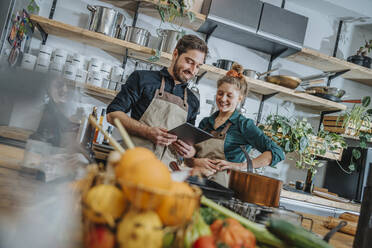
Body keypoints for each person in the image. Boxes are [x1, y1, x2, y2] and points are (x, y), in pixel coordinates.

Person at [106, 35, 208, 167]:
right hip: (133, 165)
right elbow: (112, 114)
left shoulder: (193, 101)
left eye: (198, 66)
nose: (193, 71)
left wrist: (189, 151)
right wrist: (147, 132)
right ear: (175, 54)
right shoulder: (142, 79)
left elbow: (190, 143)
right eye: (189, 62)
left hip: (166, 174)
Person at [186, 63, 285, 186]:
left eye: (229, 95)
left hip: (220, 188)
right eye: (220, 93)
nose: (223, 99)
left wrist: (240, 166)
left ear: (240, 98)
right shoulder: (205, 122)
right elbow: (190, 157)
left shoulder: (244, 125)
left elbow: (277, 152)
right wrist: (195, 161)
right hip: (194, 182)